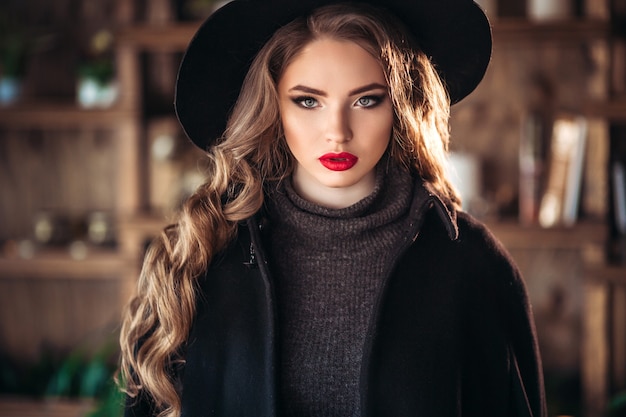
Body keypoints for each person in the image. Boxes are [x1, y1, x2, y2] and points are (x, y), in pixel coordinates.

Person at [119, 0, 547, 416]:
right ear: (272, 107)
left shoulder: (471, 262)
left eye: (366, 100)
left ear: (400, 105)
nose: (337, 132)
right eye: (308, 101)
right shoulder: (203, 254)